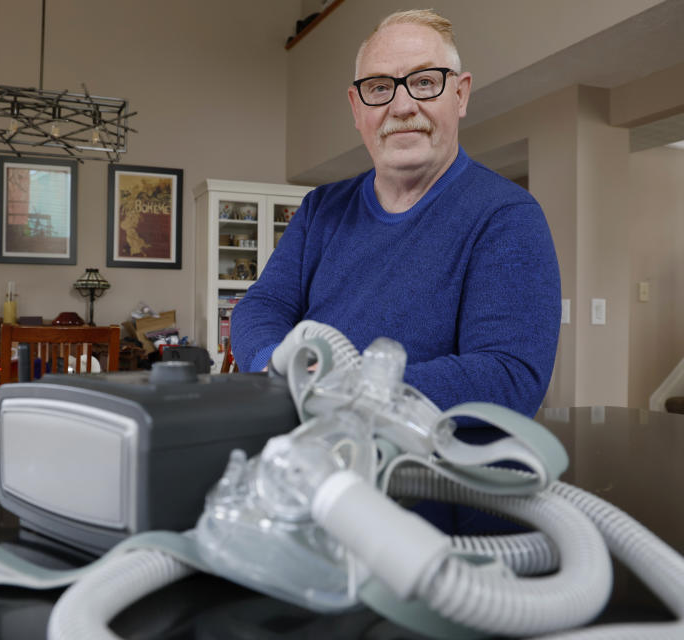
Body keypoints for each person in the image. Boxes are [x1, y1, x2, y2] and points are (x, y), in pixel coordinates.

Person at [230, 9, 560, 417]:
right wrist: (276, 367)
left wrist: (342, 389)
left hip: (424, 472)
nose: (402, 106)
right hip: (309, 455)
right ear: (356, 108)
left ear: (460, 95)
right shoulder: (321, 209)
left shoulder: (506, 216)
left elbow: (509, 375)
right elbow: (261, 307)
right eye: (380, 87)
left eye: (424, 82)